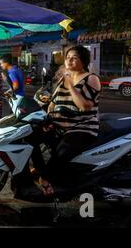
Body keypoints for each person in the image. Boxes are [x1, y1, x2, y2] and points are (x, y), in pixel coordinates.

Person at [38, 45, 101, 196]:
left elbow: (84, 106)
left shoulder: (91, 78)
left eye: (74, 57)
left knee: (61, 151)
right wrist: (48, 120)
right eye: (67, 57)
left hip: (82, 127)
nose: (69, 60)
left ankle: (45, 180)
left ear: (83, 61)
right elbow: (53, 102)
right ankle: (41, 171)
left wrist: (71, 86)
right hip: (59, 125)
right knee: (32, 137)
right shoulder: (63, 79)